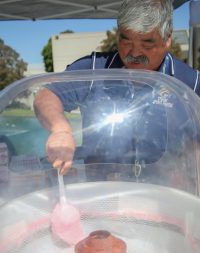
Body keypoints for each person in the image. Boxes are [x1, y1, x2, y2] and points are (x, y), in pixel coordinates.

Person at [34, 0, 200, 176]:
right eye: (126, 40)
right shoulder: (94, 69)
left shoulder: (191, 82)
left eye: (147, 43)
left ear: (167, 39)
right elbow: (47, 96)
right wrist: (60, 129)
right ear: (118, 34)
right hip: (103, 193)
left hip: (164, 194)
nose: (135, 53)